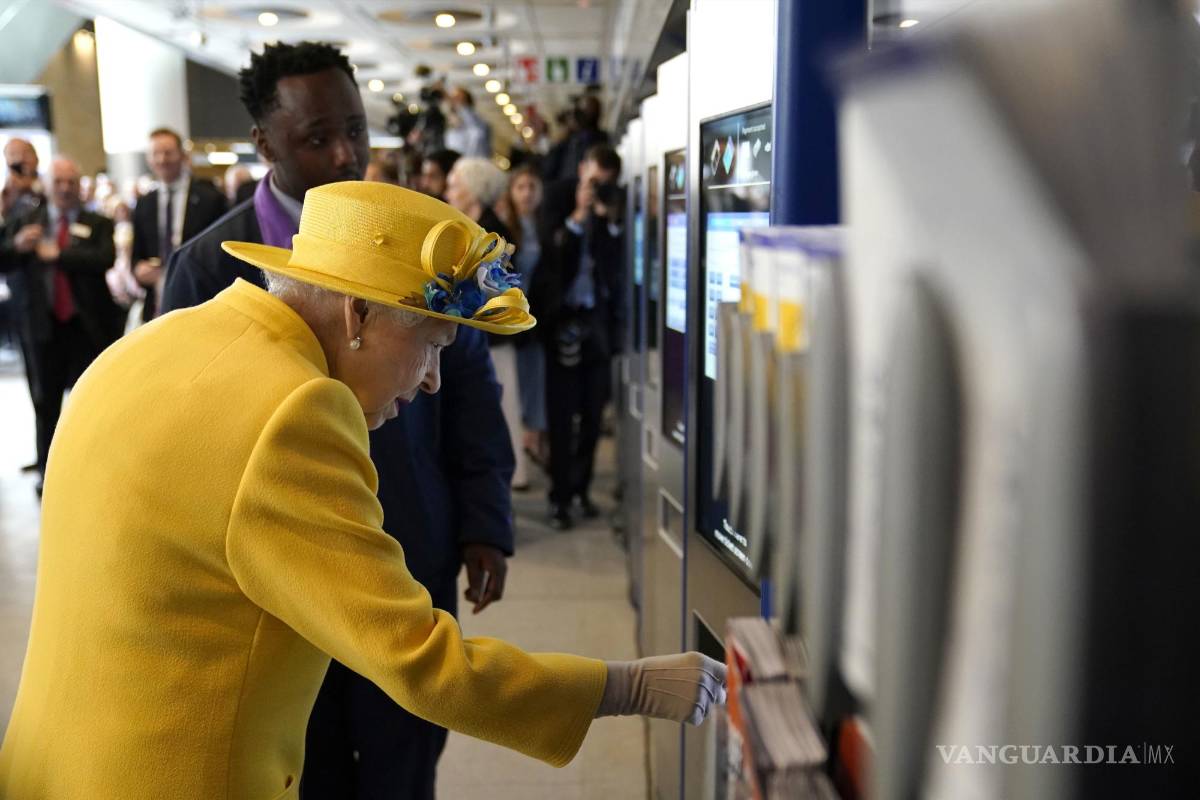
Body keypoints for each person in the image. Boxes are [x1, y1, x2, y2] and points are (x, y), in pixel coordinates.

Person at [0, 180, 726, 799]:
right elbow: (421, 661)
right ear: (358, 316)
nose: (434, 379)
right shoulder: (297, 414)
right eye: (434, 343)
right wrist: (628, 686)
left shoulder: (157, 344)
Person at [160, 41, 516, 799]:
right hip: (275, 578)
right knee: (303, 761)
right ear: (265, 142)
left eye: (356, 129)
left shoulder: (421, 241)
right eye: (317, 136)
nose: (346, 153)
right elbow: (181, 426)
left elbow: (471, 390)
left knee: (407, 754)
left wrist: (485, 519)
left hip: (407, 541)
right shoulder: (205, 267)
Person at [0, 156, 123, 493]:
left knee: (91, 404)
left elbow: (104, 259)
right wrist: (18, 244)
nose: (66, 188)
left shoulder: (96, 222)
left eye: (71, 182)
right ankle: (48, 475)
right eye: (59, 182)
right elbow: (4, 258)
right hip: (43, 327)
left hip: (87, 327)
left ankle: (95, 470)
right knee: (45, 402)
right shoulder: (27, 220)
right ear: (49, 185)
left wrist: (60, 255)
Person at [531, 144, 624, 529]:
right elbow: (552, 252)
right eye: (593, 180)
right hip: (561, 321)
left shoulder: (611, 207)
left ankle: (581, 491)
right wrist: (578, 215)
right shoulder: (557, 196)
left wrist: (608, 220)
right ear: (582, 168)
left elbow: (616, 263)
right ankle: (560, 497)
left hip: (597, 326)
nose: (598, 188)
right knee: (560, 414)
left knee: (591, 414)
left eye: (605, 183)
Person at [446, 157, 530, 490]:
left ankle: (505, 477)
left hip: (493, 338)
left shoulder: (494, 234)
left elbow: (502, 290)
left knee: (500, 409)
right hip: (480, 336)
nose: (449, 190)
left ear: (473, 190)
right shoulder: (472, 228)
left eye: (455, 183)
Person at [129, 128, 227, 322]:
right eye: (156, 154)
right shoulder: (144, 203)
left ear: (182, 155)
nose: (162, 159)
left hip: (201, 299)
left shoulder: (210, 198)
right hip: (156, 303)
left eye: (168, 152)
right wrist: (138, 269)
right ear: (148, 159)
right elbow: (136, 256)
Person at [498, 164, 549, 469]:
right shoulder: (506, 227)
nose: (527, 193)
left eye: (532, 186)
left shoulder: (544, 225)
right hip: (514, 315)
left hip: (539, 315)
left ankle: (535, 437)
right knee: (514, 383)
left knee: (535, 379)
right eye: (521, 187)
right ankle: (521, 449)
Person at [1, 139, 45, 473]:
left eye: (21, 158)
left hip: (55, 303)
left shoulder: (48, 192)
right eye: (10, 159)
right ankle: (44, 456)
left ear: (34, 158)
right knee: (37, 386)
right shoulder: (9, 202)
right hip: (24, 305)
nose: (16, 164)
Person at [444, 87, 492, 158]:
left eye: (457, 97)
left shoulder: (476, 120)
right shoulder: (451, 122)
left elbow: (478, 135)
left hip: (471, 161)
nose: (453, 99)